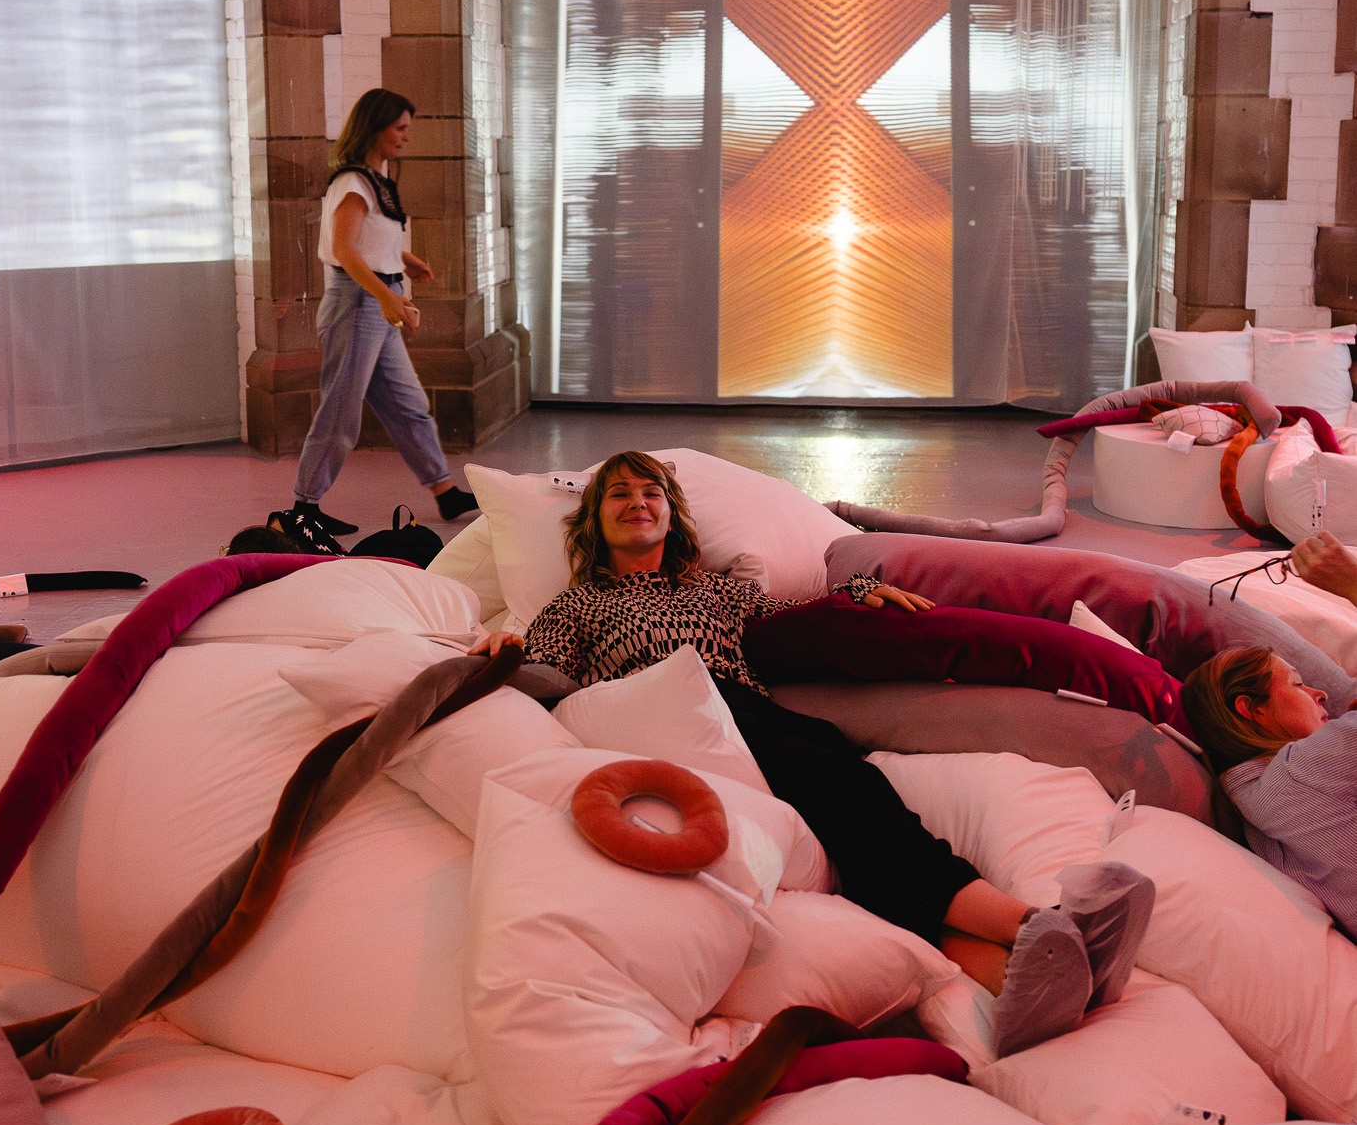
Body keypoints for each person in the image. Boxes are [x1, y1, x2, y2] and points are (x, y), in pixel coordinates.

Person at [479, 450, 1154, 1060]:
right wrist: (497, 655)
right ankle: (1040, 926)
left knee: (858, 825)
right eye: (618, 495)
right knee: (850, 793)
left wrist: (861, 596)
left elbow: (792, 608)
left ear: (670, 515)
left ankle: (1017, 983)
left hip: (752, 719)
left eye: (649, 493)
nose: (636, 503)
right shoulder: (576, 604)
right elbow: (542, 671)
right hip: (672, 718)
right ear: (593, 522)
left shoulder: (710, 591)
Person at [286, 89, 477, 549]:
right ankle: (303, 509)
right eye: (400, 128)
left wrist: (403, 260)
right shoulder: (352, 183)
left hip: (375, 298)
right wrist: (388, 298)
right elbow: (343, 250)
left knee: (407, 404)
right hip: (357, 302)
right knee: (340, 413)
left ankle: (445, 491)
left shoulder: (374, 180)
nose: (407, 137)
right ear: (374, 127)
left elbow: (369, 241)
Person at [1183, 645, 1356, 939]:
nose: (1320, 694)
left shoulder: (1252, 801)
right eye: (1297, 684)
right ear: (1252, 709)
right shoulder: (1297, 771)